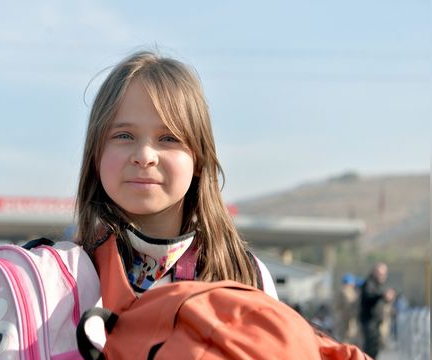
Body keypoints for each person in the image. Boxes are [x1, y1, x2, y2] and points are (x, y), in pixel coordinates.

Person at [74, 50, 279, 300]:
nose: (145, 155)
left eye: (169, 138)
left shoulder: (245, 278)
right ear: (95, 154)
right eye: (124, 135)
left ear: (199, 159)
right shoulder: (56, 278)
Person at [359, 262, 395, 359]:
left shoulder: (378, 284)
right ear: (374, 272)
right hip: (369, 320)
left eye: (384, 274)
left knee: (375, 347)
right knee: (370, 347)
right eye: (380, 273)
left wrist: (387, 298)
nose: (383, 276)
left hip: (376, 321)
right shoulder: (369, 283)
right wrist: (382, 296)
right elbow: (369, 297)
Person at [335, 273, 360, 344]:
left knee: (347, 337)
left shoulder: (344, 291)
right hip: (347, 318)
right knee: (347, 338)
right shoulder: (346, 291)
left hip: (345, 317)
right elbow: (350, 303)